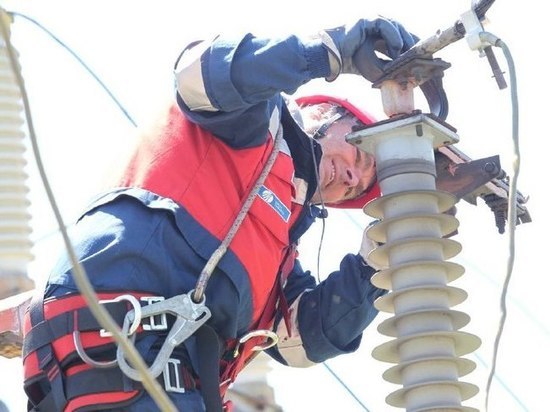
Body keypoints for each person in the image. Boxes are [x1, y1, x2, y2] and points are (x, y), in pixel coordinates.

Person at [22, 17, 418, 411]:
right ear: (324, 113)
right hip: (124, 344)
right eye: (358, 155)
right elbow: (198, 72)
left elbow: (300, 341)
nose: (351, 175)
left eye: (358, 187)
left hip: (160, 375)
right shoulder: (255, 121)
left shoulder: (276, 256)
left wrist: (378, 258)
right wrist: (329, 51)